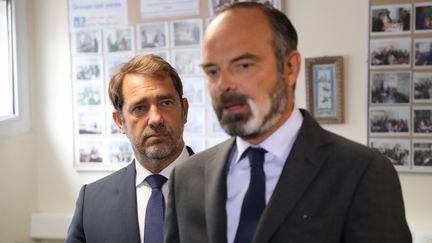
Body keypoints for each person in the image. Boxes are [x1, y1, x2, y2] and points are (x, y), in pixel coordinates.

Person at [164, 2, 411, 243]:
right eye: (212, 71)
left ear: (290, 67)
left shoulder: (361, 172)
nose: (223, 84)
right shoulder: (186, 178)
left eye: (243, 65)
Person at [66, 54, 193, 243]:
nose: (156, 119)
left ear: (184, 110)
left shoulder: (227, 186)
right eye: (140, 108)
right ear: (120, 121)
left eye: (165, 103)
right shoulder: (90, 202)